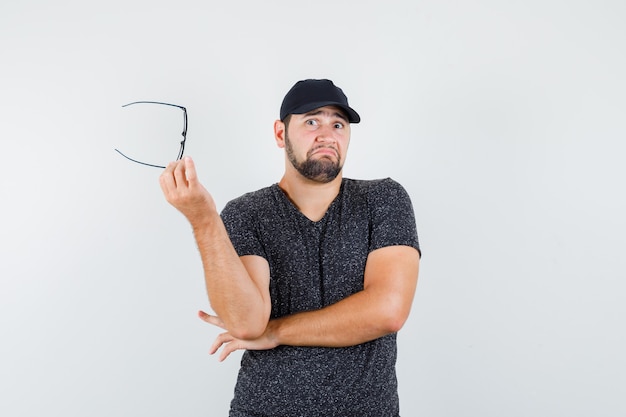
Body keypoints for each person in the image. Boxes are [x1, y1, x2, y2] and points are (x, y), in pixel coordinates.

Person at [159, 79, 421, 417]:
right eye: (312, 121)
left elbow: (387, 310)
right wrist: (204, 220)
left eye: (338, 124)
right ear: (281, 134)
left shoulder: (384, 199)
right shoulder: (247, 213)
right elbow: (246, 324)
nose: (327, 134)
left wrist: (277, 332)